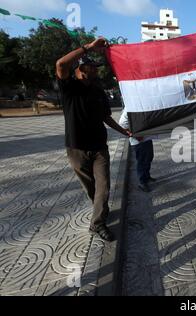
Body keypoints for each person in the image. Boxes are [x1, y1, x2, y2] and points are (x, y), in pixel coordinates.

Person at [56, 37, 133, 242]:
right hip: (76, 149)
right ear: (81, 69)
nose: (97, 70)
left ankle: (97, 224)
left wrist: (124, 131)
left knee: (104, 186)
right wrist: (88, 47)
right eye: (92, 66)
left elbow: (106, 117)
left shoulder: (98, 91)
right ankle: (101, 210)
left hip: (99, 147)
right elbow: (61, 64)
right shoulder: (69, 88)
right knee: (91, 189)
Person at [119, 111, 157, 192]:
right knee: (142, 160)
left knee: (149, 157)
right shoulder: (129, 108)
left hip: (147, 137)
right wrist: (133, 134)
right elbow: (122, 123)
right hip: (138, 140)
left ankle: (146, 176)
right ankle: (142, 182)